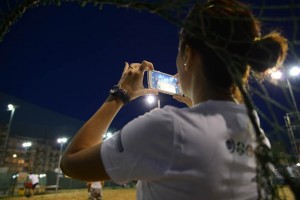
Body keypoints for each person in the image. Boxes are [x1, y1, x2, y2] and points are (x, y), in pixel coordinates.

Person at [60, 0, 288, 199]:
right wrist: (194, 101)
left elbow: (71, 162)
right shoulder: (256, 134)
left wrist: (120, 94)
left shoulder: (167, 128)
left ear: (188, 54)